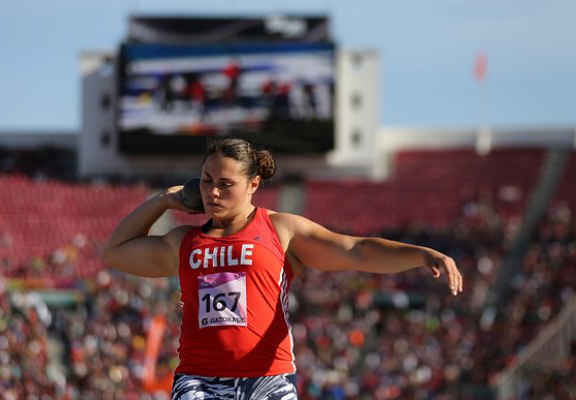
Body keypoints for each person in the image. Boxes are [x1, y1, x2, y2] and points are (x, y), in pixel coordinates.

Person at [102, 137, 463, 400]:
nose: (213, 193)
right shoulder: (184, 242)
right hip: (200, 381)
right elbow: (116, 251)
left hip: (268, 380)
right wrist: (164, 199)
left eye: (226, 184)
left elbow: (355, 249)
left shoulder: (281, 230)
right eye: (207, 181)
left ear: (253, 185)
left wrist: (420, 254)